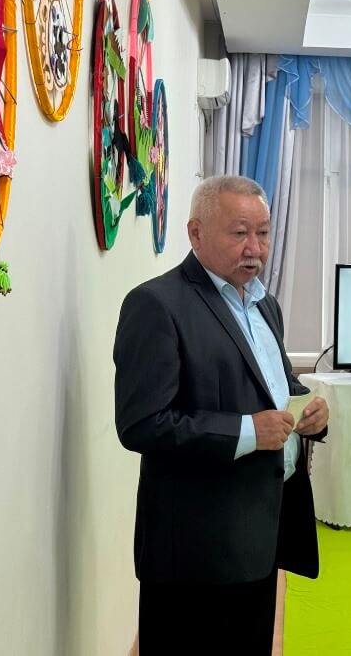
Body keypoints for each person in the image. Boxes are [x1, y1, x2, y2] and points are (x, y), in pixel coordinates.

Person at [114, 175, 329, 653]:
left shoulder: (264, 304)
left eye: (264, 233)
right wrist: (248, 431)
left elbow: (277, 384)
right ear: (196, 233)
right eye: (239, 233)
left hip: (261, 533)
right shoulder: (156, 305)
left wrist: (309, 411)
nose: (255, 248)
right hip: (195, 551)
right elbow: (141, 424)